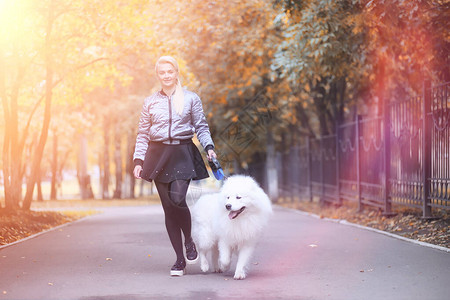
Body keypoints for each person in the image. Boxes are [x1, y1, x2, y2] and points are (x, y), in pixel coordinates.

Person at [133, 56, 217, 277]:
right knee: (168, 208)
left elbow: (201, 125)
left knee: (178, 199)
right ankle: (179, 260)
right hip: (158, 154)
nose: (166, 75)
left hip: (182, 153)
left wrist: (209, 147)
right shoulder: (150, 102)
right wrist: (138, 160)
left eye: (170, 71)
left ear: (176, 73)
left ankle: (189, 240)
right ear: (158, 75)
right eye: (162, 72)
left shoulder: (191, 98)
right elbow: (142, 133)